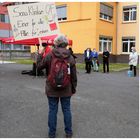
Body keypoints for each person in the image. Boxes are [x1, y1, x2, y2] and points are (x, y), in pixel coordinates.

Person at [37, 35, 77, 138]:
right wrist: (73, 88)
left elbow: (39, 67)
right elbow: (74, 75)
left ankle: (52, 134)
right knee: (67, 110)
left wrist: (40, 54)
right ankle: (68, 133)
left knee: (52, 110)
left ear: (56, 43)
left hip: (51, 88)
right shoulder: (70, 56)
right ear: (65, 43)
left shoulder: (50, 54)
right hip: (66, 88)